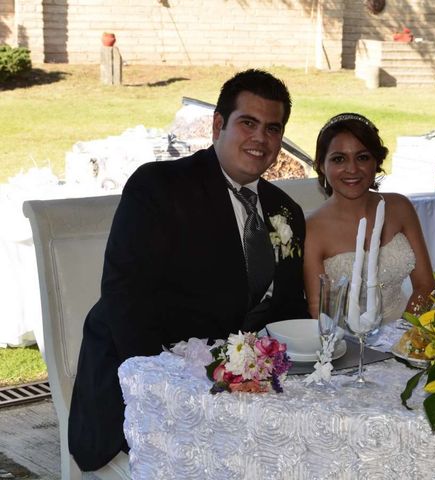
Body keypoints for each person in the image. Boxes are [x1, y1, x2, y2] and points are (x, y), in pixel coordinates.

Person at [68, 69, 309, 471]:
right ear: (218, 124)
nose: (261, 139)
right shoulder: (159, 188)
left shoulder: (286, 212)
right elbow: (125, 300)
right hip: (151, 387)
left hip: (243, 391)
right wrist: (172, 393)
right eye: (247, 123)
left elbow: (286, 310)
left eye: (272, 128)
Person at [304, 113, 435, 323]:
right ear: (321, 165)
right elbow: (319, 309)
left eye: (362, 157)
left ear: (377, 161)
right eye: (339, 159)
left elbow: (425, 286)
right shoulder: (312, 230)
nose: (352, 169)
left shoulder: (400, 207)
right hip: (345, 344)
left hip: (406, 330)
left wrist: (403, 339)